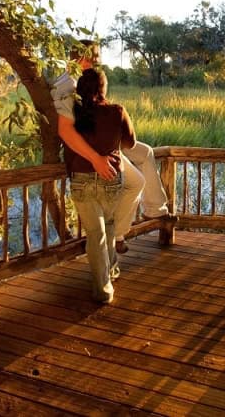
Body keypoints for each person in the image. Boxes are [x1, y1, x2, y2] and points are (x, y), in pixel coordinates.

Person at [51, 40, 174, 254]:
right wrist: (96, 159)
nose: (99, 62)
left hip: (104, 143)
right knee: (136, 181)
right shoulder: (68, 84)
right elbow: (65, 130)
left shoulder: (81, 80)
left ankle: (152, 210)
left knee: (144, 155)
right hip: (90, 149)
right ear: (84, 58)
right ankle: (117, 234)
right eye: (96, 58)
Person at [66, 68, 134, 303]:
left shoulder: (73, 113)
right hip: (110, 177)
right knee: (109, 224)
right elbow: (130, 142)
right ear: (103, 88)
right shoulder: (117, 111)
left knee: (96, 234)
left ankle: (104, 286)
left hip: (81, 179)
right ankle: (109, 275)